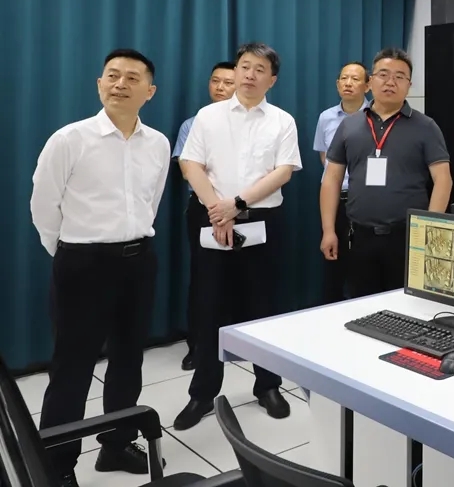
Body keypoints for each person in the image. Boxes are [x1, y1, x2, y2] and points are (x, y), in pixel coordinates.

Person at [30, 49, 170, 487]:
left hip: (138, 262)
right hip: (82, 264)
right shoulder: (69, 139)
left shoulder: (158, 143)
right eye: (112, 75)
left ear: (150, 91)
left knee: (129, 359)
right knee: (71, 368)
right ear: (99, 83)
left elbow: (151, 201)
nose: (120, 84)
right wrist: (69, 252)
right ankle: (57, 466)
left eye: (132, 78)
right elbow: (43, 205)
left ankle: (116, 444)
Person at [174, 42, 302, 430]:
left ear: (271, 80)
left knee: (263, 305)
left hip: (261, 218)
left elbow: (283, 171)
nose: (249, 74)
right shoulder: (208, 116)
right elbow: (190, 164)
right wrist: (218, 209)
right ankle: (202, 393)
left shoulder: (282, 120)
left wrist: (237, 204)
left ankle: (268, 385)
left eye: (259, 69)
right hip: (210, 215)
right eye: (245, 66)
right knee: (208, 305)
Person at [321, 47, 451, 296]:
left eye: (400, 76)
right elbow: (332, 179)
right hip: (359, 235)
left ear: (409, 85)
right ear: (370, 82)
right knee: (360, 303)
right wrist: (328, 230)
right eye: (383, 74)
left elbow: (443, 180)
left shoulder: (426, 127)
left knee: (407, 304)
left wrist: (430, 232)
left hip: (407, 237)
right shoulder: (349, 126)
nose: (391, 82)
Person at [174, 61, 236, 371]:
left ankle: (239, 344)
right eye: (216, 81)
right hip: (204, 210)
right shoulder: (193, 123)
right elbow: (187, 169)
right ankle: (197, 347)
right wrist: (217, 209)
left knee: (244, 280)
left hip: (245, 209)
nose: (221, 87)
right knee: (203, 280)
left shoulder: (255, 123)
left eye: (228, 82)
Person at [314, 61, 369, 302]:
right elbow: (324, 157)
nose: (348, 83)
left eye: (355, 79)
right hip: (335, 198)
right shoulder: (326, 117)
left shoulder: (375, 116)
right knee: (333, 263)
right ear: (337, 85)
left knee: (363, 266)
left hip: (366, 200)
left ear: (367, 85)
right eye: (344, 79)